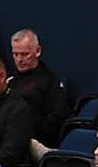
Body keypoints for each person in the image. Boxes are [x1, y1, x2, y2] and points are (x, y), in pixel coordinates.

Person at [8, 29, 71, 157]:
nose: (19, 59)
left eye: (25, 54)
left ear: (37, 51)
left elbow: (56, 119)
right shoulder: (8, 81)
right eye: (16, 54)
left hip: (34, 138)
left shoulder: (51, 81)